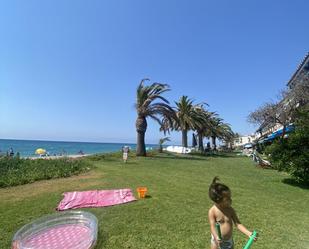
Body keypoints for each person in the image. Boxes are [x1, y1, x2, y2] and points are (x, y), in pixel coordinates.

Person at [208, 177, 257, 249]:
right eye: (228, 198)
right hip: (216, 241)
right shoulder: (212, 211)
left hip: (228, 241)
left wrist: (248, 233)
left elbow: (238, 224)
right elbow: (212, 227)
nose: (231, 200)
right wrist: (216, 236)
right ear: (218, 200)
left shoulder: (230, 210)